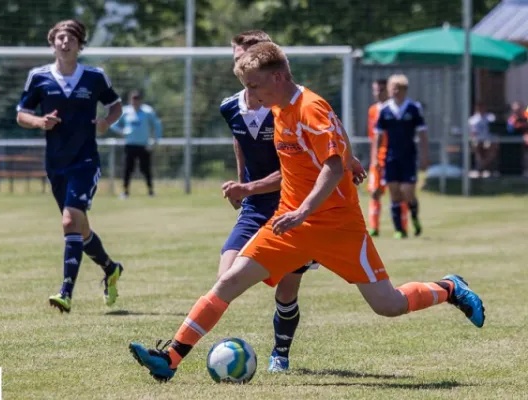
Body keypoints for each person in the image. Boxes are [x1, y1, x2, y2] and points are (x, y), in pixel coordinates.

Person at [128, 42, 485, 382]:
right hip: (290, 225)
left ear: (278, 77)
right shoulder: (279, 109)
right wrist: (332, 176)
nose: (251, 95)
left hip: (337, 228)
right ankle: (170, 358)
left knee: (388, 305)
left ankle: (450, 288)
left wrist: (304, 209)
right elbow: (331, 146)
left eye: (254, 86)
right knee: (229, 281)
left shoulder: (310, 107)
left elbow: (330, 166)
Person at [219, 30, 357, 372]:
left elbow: (308, 159)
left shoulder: (284, 106)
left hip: (291, 203)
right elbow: (240, 143)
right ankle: (219, 353)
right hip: (255, 206)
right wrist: (242, 184)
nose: (242, 63)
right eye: (237, 59)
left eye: (248, 57)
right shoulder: (230, 107)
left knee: (286, 287)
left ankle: (279, 353)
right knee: (225, 279)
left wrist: (349, 158)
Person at [16, 19, 124, 313]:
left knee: (69, 221)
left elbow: (116, 105)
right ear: (53, 43)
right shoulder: (38, 78)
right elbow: (21, 114)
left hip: (85, 161)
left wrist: (104, 123)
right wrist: (40, 121)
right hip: (56, 164)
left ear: (79, 45)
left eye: (71, 39)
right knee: (80, 228)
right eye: (60, 38)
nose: (65, 43)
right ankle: (111, 269)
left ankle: (66, 292)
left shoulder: (94, 77)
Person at [374, 74, 428, 239]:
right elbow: (379, 136)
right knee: (394, 193)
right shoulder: (384, 110)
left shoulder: (413, 108)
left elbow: (423, 134)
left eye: (399, 89)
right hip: (391, 157)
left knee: (408, 192)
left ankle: (414, 218)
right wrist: (377, 158)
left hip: (409, 156)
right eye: (392, 88)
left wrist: (425, 155)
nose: (395, 91)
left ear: (405, 90)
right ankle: (400, 230)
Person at [367, 79, 407, 237]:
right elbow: (372, 137)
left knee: (396, 192)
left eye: (381, 89)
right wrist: (373, 158)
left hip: (392, 156)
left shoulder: (394, 109)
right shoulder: (372, 110)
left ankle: (401, 228)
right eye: (376, 90)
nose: (378, 93)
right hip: (377, 157)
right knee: (375, 192)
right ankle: (374, 227)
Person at [111, 89, 162, 198]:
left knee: (146, 169)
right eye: (133, 99)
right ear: (130, 100)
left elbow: (157, 125)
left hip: (144, 145)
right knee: (128, 169)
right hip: (130, 145)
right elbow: (113, 124)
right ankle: (125, 192)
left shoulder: (148, 112)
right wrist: (122, 131)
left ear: (141, 100)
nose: (135, 101)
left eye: (137, 99)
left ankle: (150, 191)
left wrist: (155, 141)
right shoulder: (125, 111)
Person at [469, 102, 497, 178]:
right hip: (478, 140)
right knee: (477, 146)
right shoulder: (472, 120)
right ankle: (483, 167)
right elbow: (472, 133)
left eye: (482, 107)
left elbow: (495, 128)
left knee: (492, 147)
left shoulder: (490, 117)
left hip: (489, 139)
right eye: (479, 107)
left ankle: (480, 168)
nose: (480, 109)